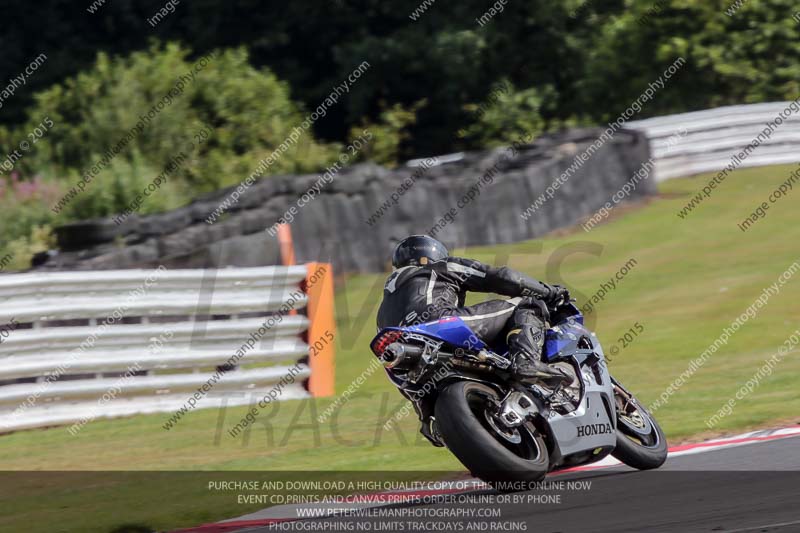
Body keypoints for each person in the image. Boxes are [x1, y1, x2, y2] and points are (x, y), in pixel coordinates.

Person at [377, 235, 571, 383]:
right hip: (439, 323)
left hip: (406, 354)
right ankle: (526, 361)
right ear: (430, 255)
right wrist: (549, 292)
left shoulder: (382, 311)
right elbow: (503, 278)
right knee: (527, 303)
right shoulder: (440, 266)